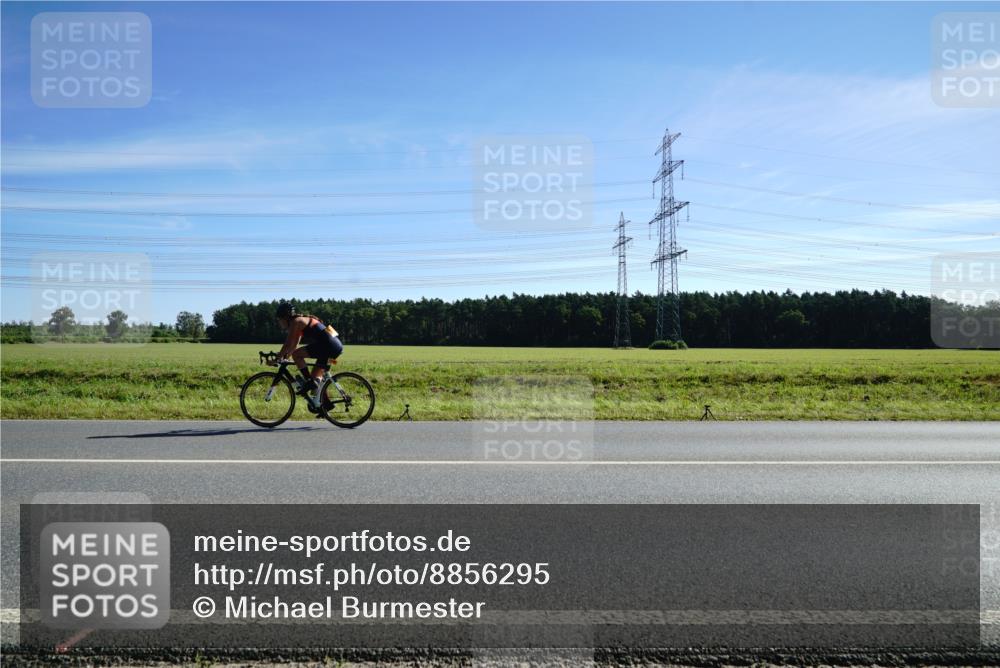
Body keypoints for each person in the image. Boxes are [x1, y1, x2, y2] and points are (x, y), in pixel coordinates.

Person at [274, 301, 343, 409]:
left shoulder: (296, 321)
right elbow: (293, 345)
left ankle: (310, 382)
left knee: (297, 355)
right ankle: (326, 405)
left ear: (285, 317)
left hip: (329, 346)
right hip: (335, 345)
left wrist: (277, 358)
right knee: (315, 377)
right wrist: (284, 358)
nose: (279, 322)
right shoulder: (301, 321)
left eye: (279, 319)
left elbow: (288, 344)